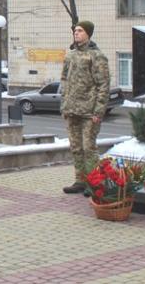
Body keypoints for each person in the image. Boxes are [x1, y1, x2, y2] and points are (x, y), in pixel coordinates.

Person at [60, 20, 110, 194]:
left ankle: (94, 183)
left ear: (88, 33)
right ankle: (80, 180)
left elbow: (103, 85)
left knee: (89, 148)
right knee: (76, 147)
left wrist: (98, 111)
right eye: (75, 30)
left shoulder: (97, 56)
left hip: (89, 111)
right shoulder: (70, 55)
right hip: (72, 110)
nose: (76, 33)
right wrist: (64, 104)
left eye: (80, 31)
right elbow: (64, 80)